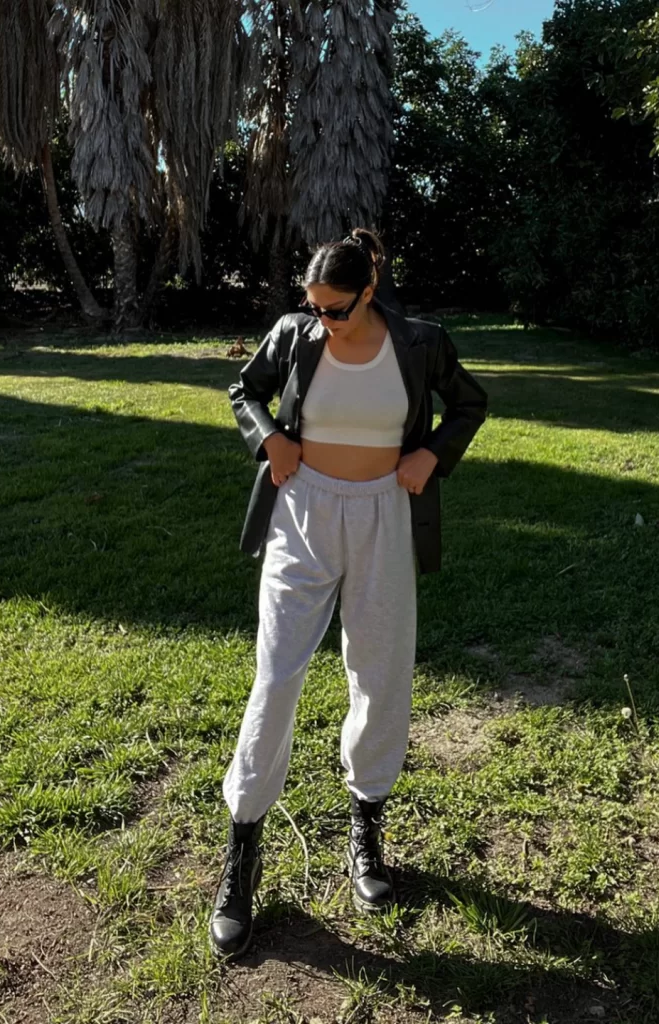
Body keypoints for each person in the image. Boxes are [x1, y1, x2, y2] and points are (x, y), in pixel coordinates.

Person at [210, 228, 488, 960]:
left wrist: (432, 453)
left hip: (384, 517)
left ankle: (366, 829)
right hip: (303, 513)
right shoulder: (295, 336)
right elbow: (247, 391)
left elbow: (469, 405)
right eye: (312, 305)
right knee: (276, 675)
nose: (320, 319)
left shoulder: (420, 342)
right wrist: (267, 436)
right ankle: (243, 851)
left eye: (335, 308)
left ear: (369, 293)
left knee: (380, 672)